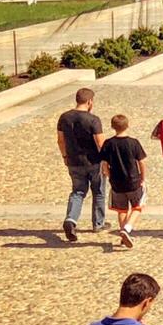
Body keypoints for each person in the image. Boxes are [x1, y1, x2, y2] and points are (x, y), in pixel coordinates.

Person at [57, 87, 108, 241]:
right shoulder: (93, 120)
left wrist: (65, 155)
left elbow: (60, 140)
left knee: (78, 192)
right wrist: (106, 161)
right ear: (90, 102)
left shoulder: (64, 117)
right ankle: (98, 223)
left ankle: (71, 220)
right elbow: (100, 143)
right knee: (98, 192)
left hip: (73, 161)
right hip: (94, 162)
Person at [98, 114, 148, 249]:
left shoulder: (108, 143)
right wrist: (143, 178)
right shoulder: (133, 143)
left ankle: (122, 235)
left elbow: (104, 163)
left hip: (117, 183)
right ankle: (127, 228)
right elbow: (142, 162)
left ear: (113, 127)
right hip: (133, 181)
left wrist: (109, 176)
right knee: (137, 207)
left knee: (122, 210)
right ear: (127, 125)